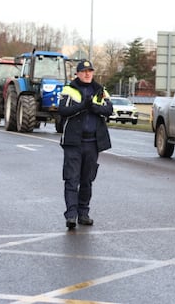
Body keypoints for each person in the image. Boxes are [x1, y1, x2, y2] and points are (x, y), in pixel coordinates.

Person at [57, 59, 113, 230]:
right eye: (84, 71)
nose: (87, 74)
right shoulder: (69, 89)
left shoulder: (100, 90)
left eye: (90, 71)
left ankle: (83, 214)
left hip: (92, 142)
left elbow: (109, 109)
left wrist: (95, 108)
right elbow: (63, 110)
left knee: (87, 180)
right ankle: (71, 215)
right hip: (74, 142)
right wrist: (82, 106)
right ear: (78, 73)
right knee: (72, 179)